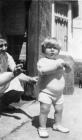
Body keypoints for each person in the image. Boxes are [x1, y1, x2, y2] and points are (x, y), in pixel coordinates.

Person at [37, 37, 71, 138]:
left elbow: (67, 71)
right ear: (44, 50)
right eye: (49, 47)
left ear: (58, 51)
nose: (52, 50)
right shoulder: (42, 61)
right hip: (46, 92)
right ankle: (42, 128)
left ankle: (57, 124)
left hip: (58, 94)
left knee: (59, 109)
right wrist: (56, 66)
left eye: (55, 48)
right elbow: (42, 71)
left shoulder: (60, 60)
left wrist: (68, 67)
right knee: (44, 109)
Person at [0, 37, 38, 112]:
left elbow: (16, 72)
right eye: (0, 46)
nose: (4, 48)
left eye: (5, 45)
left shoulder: (7, 55)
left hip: (2, 82)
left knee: (17, 87)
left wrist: (30, 79)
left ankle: (2, 105)